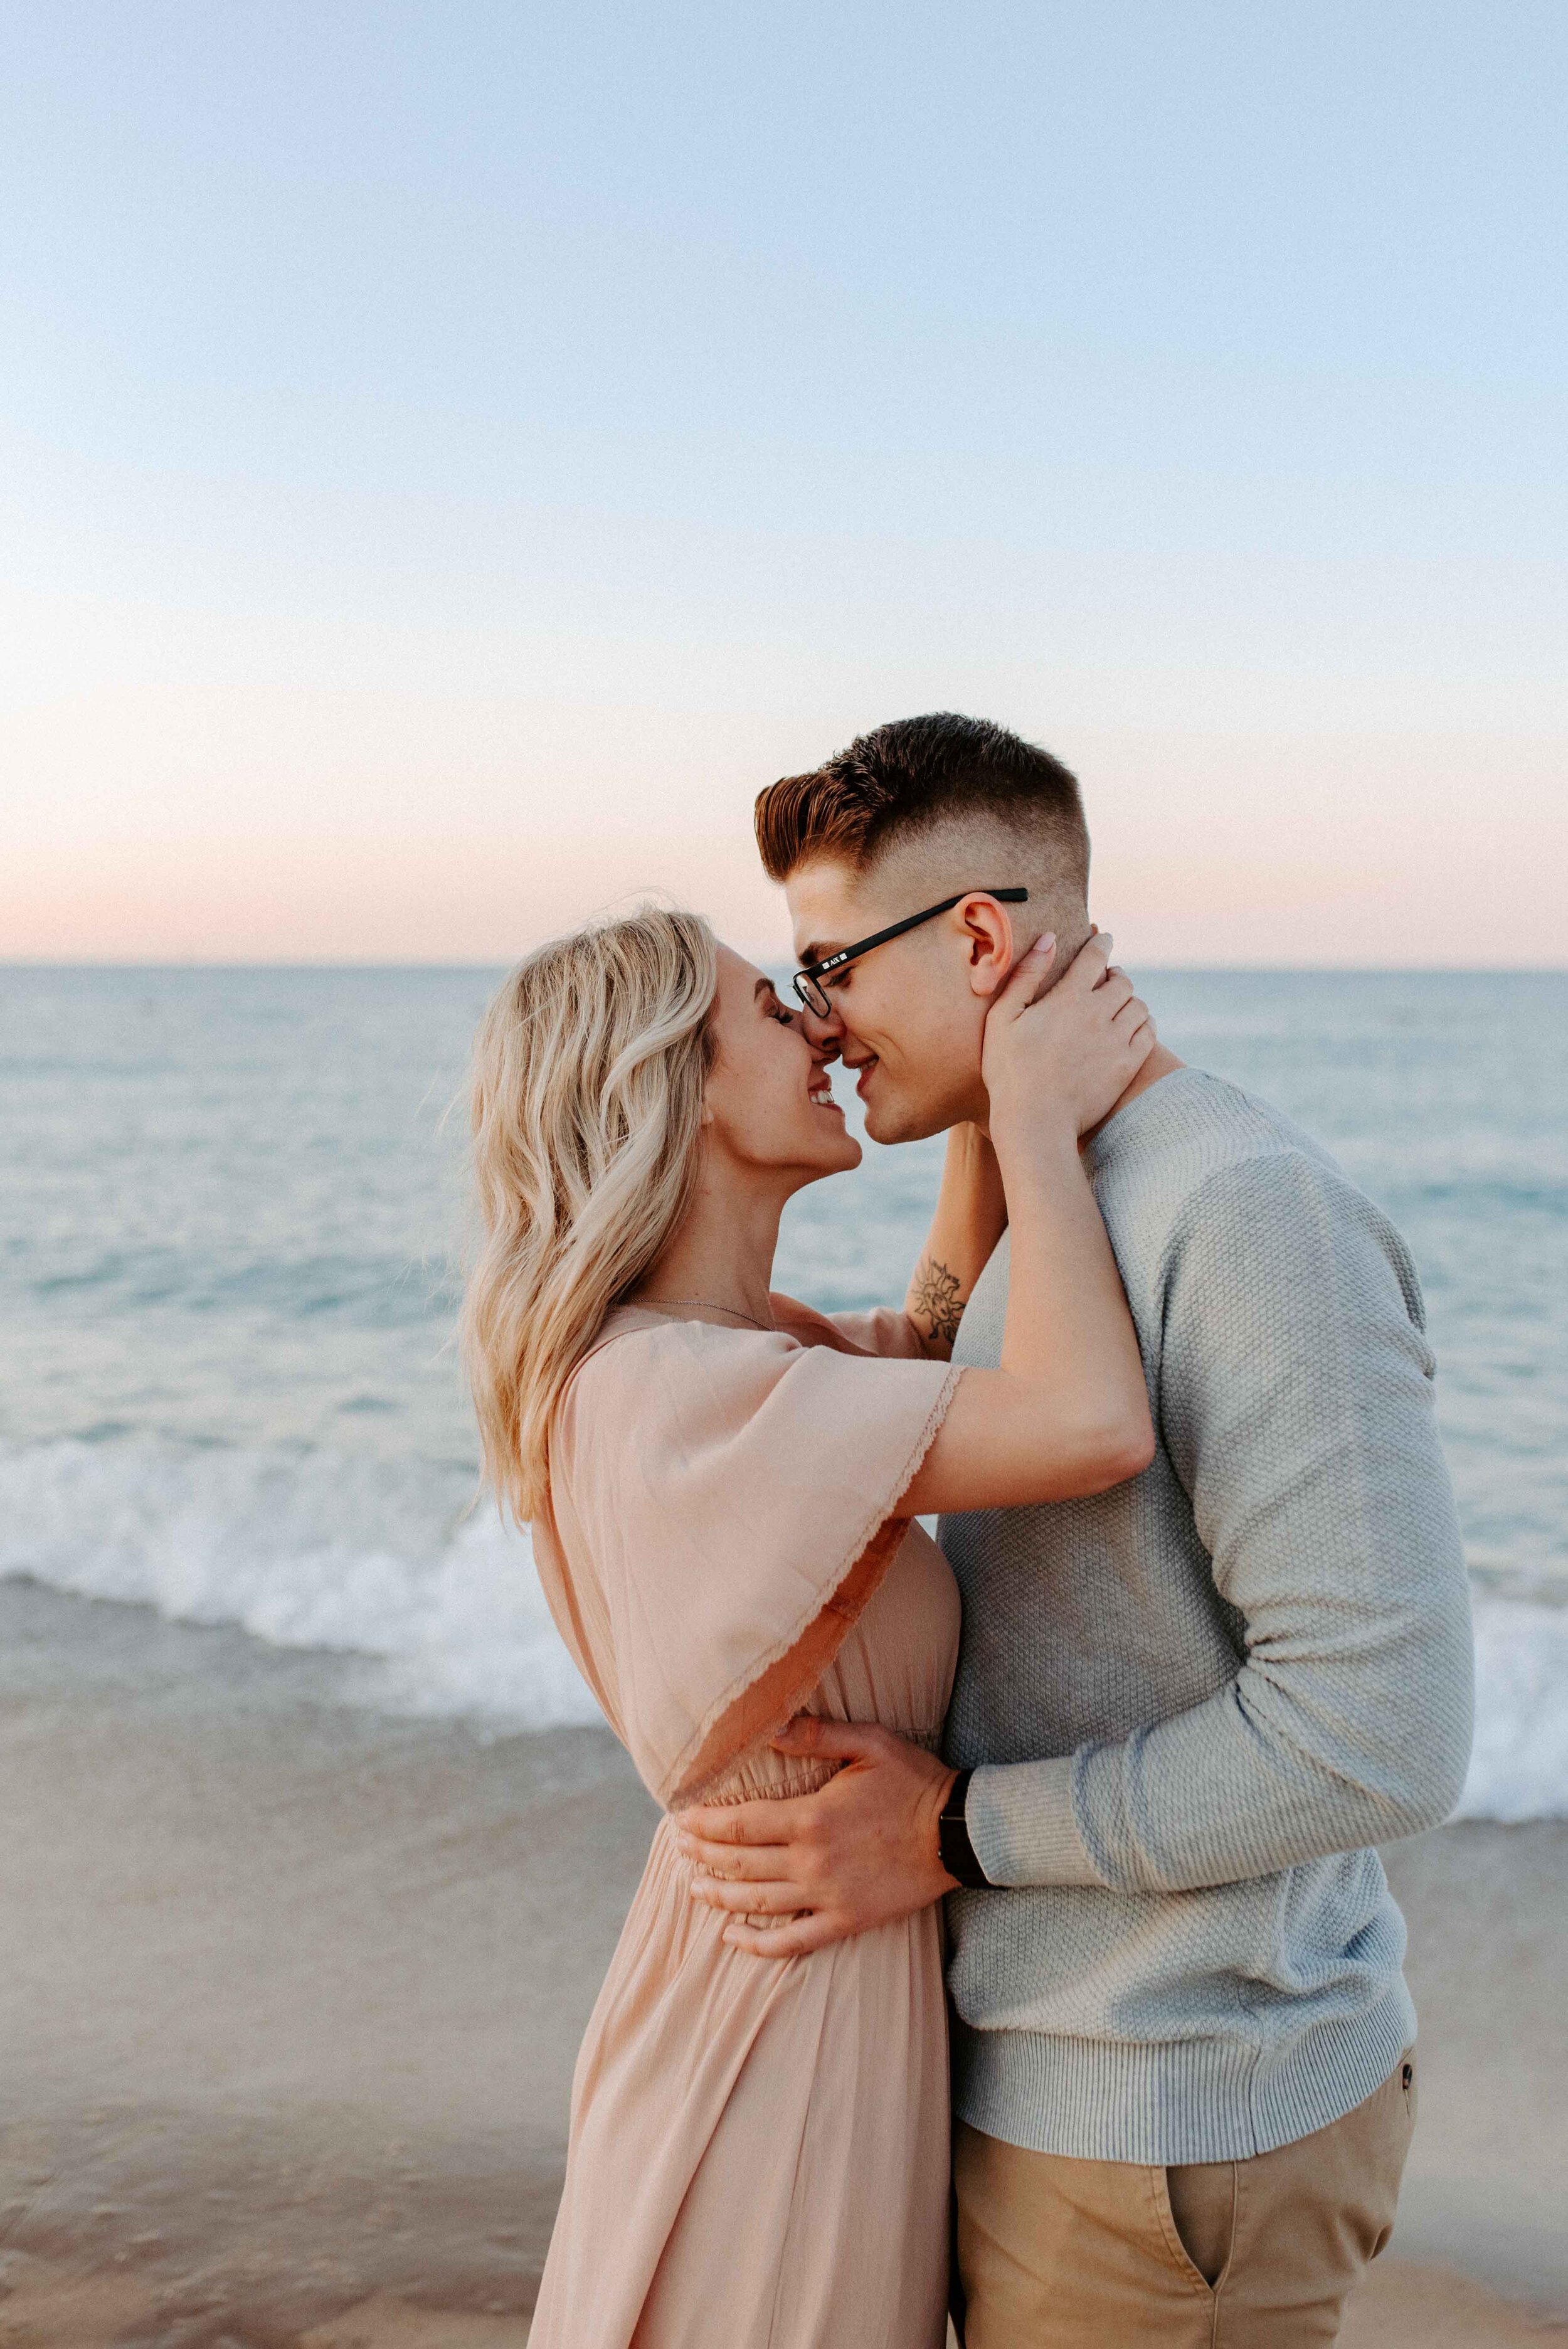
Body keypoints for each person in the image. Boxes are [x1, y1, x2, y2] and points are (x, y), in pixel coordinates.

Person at [679, 713, 1476, 2348]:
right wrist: (994, 1117)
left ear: (977, 937)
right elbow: (947, 1352)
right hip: (1054, 2076)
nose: (818, 1025)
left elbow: (1378, 1734)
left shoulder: (1240, 1211)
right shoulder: (1067, 1191)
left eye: (827, 967)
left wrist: (954, 1833)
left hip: (1182, 2116)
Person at [460, 903, 1157, 2348]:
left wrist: (973, 1064)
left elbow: (937, 1336)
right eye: (774, 1012)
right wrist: (1031, 1112)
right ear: (673, 1085)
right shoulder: (670, 1396)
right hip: (774, 2047)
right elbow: (1086, 1419)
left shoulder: (732, 1354)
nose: (821, 1024)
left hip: (810, 1991)